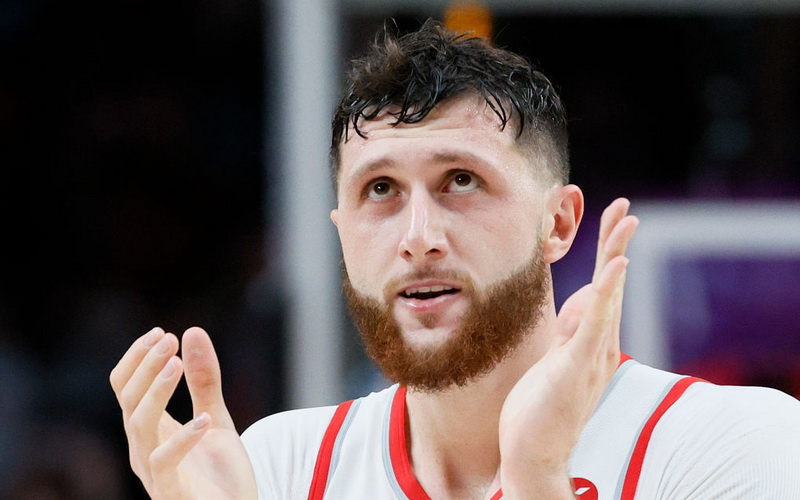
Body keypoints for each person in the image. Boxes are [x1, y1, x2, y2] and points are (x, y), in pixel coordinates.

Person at [109, 19, 800, 499]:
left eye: (461, 181)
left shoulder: (740, 445)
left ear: (559, 223)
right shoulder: (275, 468)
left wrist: (536, 479)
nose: (418, 236)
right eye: (380, 190)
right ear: (342, 232)